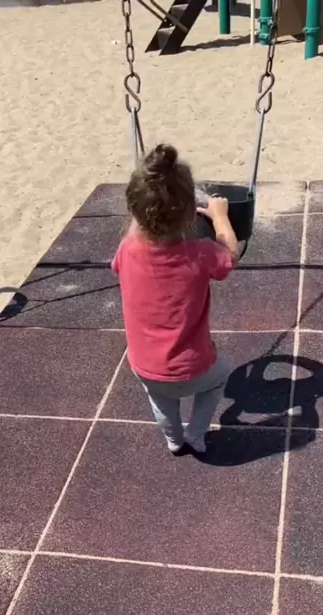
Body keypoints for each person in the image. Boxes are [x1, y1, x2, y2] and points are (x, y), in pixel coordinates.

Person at [112, 143, 238, 455]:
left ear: (134, 212)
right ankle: (196, 434)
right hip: (193, 366)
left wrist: (144, 210)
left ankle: (173, 439)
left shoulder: (127, 249)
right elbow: (230, 255)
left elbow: (131, 238)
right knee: (219, 378)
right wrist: (220, 217)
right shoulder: (201, 254)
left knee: (161, 400)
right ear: (189, 213)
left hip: (144, 365)